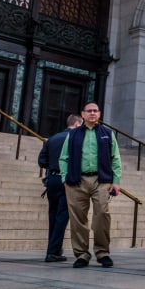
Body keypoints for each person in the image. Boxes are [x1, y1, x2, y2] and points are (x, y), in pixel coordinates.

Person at [58, 102, 122, 269]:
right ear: (83, 114)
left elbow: (115, 158)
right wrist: (65, 178)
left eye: (95, 111)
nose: (92, 113)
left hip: (101, 180)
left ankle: (103, 253)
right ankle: (82, 254)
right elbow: (63, 157)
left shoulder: (107, 133)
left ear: (99, 114)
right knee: (78, 219)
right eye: (89, 111)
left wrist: (116, 181)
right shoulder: (73, 134)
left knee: (102, 214)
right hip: (76, 181)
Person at [38, 113, 82, 263]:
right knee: (62, 217)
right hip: (67, 180)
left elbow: (41, 160)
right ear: (77, 124)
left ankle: (54, 249)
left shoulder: (53, 138)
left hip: (52, 180)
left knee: (53, 215)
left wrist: (52, 165)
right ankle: (53, 251)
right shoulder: (76, 138)